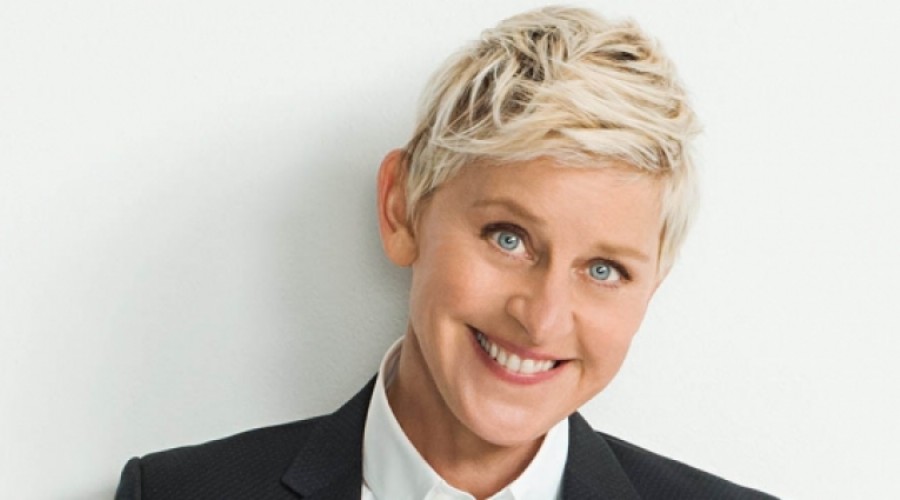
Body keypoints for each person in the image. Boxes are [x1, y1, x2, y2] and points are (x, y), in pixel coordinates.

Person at [116, 6, 776, 499]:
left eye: (604, 270)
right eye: (508, 237)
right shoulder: (174, 494)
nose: (542, 318)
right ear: (402, 208)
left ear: (653, 286)